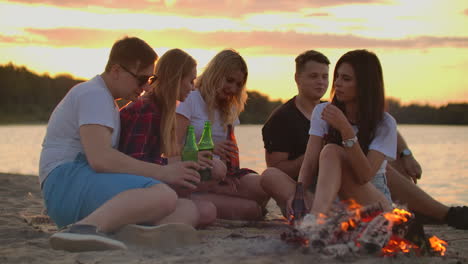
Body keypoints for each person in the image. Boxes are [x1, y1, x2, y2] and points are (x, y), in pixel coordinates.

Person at [261, 50, 468, 228]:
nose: (336, 84)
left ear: (364, 85)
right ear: (297, 78)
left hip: (372, 198)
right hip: (329, 194)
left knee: (338, 152)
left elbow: (365, 175)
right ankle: (317, 221)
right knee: (328, 152)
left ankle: (317, 219)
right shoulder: (323, 112)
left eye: (346, 79)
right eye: (338, 77)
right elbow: (309, 161)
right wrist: (298, 194)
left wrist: (346, 130)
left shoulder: (384, 123)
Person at [39, 37, 204, 252]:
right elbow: (101, 159)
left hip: (78, 185)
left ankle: (132, 234)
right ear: (116, 70)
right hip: (65, 183)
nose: (146, 87)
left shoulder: (108, 102)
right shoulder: (93, 94)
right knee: (163, 195)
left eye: (151, 79)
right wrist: (164, 172)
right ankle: (84, 229)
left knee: (186, 208)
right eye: (142, 79)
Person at [119, 48, 221, 226]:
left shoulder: (160, 109)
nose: (193, 87)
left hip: (143, 186)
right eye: (191, 81)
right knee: (205, 211)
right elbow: (132, 165)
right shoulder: (147, 110)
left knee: (208, 209)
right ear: (176, 79)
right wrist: (176, 167)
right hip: (127, 190)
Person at [175, 49, 270, 220]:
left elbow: (230, 150)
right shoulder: (190, 99)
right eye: (229, 80)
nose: (233, 88)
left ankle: (215, 194)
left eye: (239, 84)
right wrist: (210, 149)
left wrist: (231, 174)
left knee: (264, 187)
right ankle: (197, 196)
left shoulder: (230, 107)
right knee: (251, 210)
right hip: (194, 172)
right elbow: (171, 149)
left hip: (220, 175)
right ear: (216, 74)